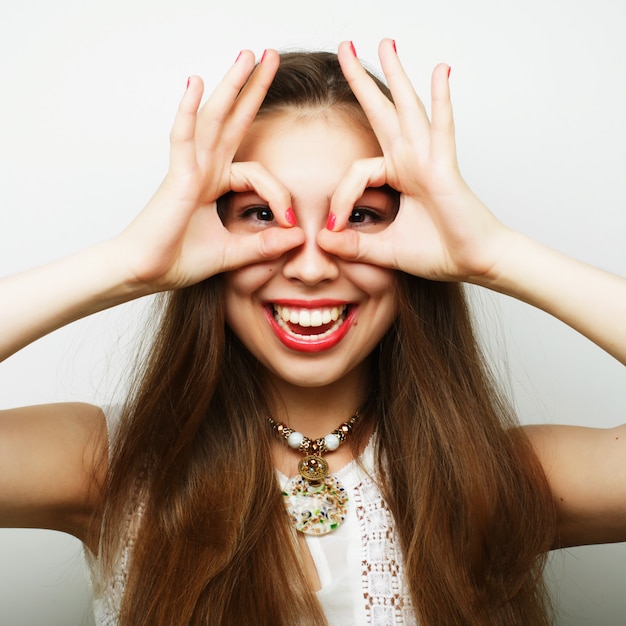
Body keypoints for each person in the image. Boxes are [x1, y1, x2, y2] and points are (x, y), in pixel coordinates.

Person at [0, 38, 625, 626]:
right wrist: (126, 265)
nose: (309, 266)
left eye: (361, 216)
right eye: (260, 214)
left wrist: (495, 255)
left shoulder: (496, 476)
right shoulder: (111, 464)